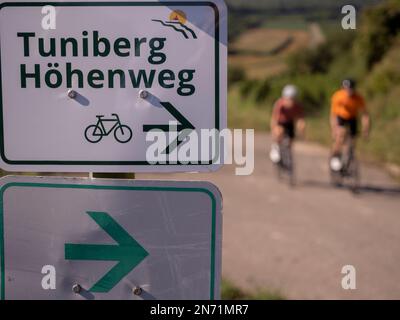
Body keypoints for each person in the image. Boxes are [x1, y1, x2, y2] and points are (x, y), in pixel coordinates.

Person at [330, 79, 370, 171]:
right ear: (342, 88)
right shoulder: (338, 96)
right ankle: (335, 156)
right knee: (340, 136)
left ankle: (348, 157)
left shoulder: (358, 98)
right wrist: (334, 129)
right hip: (340, 117)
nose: (348, 91)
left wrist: (366, 130)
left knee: (352, 140)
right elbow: (333, 115)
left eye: (350, 89)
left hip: (352, 118)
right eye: (346, 89)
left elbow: (365, 115)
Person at [270, 84, 305, 163]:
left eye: (292, 99)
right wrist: (274, 130)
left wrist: (301, 129)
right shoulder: (280, 104)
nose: (290, 102)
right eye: (288, 99)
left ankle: (287, 155)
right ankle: (275, 148)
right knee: (279, 132)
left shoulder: (297, 105)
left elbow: (301, 118)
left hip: (290, 122)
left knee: (290, 141)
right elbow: (274, 119)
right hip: (280, 122)